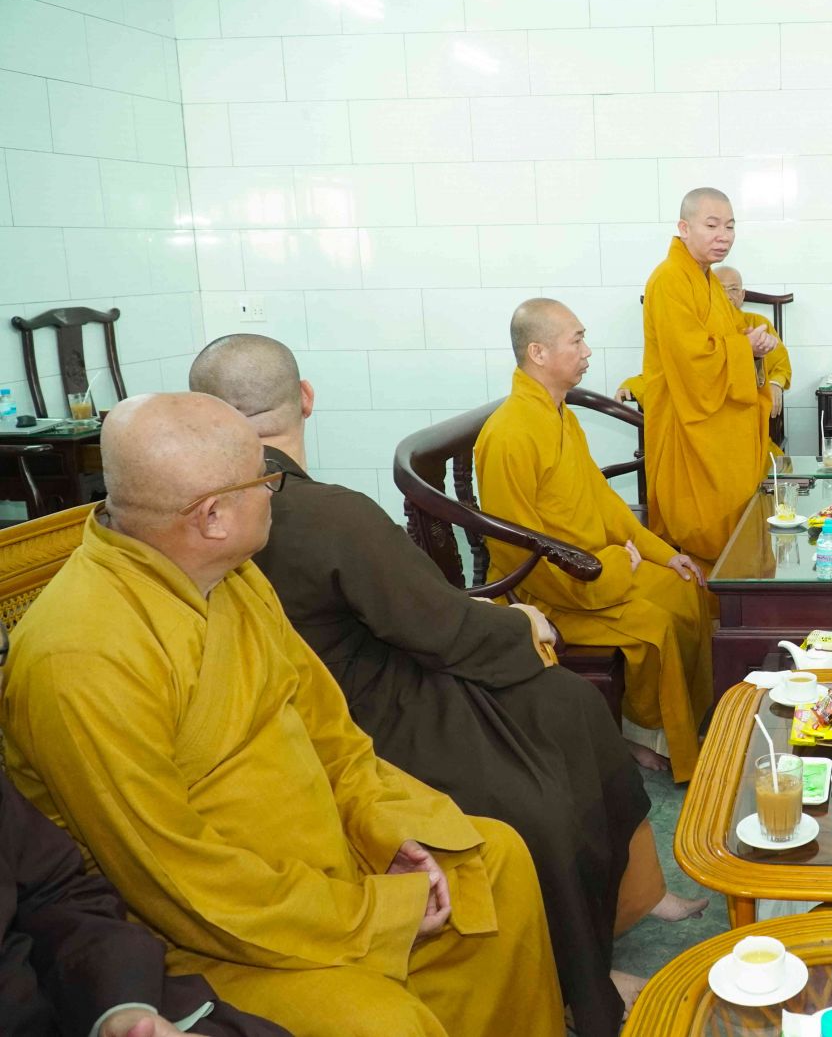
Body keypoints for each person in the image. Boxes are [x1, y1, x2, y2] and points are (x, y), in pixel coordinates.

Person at [189, 334, 707, 1036]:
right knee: (540, 787)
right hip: (370, 711)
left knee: (570, 704)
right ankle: (579, 983)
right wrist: (519, 625)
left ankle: (632, 901)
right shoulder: (318, 514)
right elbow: (436, 624)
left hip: (378, 673)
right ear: (306, 397)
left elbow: (416, 611)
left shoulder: (211, 522)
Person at [1, 393, 564, 1037]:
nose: (276, 491)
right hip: (214, 934)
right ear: (213, 516)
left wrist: (384, 829)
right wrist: (371, 914)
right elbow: (174, 881)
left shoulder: (231, 576)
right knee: (382, 1024)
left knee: (495, 865)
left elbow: (329, 730)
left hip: (326, 860)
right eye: (265, 480)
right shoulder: (82, 656)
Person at [0, 618, 291, 1037]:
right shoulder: (77, 657)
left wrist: (119, 1011)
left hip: (83, 998)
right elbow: (174, 877)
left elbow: (54, 893)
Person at [476, 298, 714, 783]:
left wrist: (663, 555)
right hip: (552, 588)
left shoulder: (560, 415)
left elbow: (603, 503)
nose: (587, 351)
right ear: (538, 352)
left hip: (597, 568)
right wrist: (606, 574)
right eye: (577, 340)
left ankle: (688, 728)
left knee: (686, 586)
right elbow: (515, 548)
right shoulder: (508, 435)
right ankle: (641, 735)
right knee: (655, 624)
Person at [640, 187, 772, 567]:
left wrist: (752, 344)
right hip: (690, 426)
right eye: (712, 225)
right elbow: (692, 359)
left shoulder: (707, 279)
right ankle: (712, 600)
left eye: (730, 226)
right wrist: (743, 348)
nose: (723, 236)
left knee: (739, 521)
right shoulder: (669, 280)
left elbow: (726, 337)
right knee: (703, 530)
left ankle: (735, 591)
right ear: (684, 228)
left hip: (720, 424)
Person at [617, 264, 791, 455]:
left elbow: (779, 365)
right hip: (703, 416)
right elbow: (674, 368)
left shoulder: (757, 323)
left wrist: (775, 384)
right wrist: (634, 385)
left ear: (742, 295)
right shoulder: (697, 328)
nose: (727, 296)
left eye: (733, 289)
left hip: (744, 416)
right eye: (720, 289)